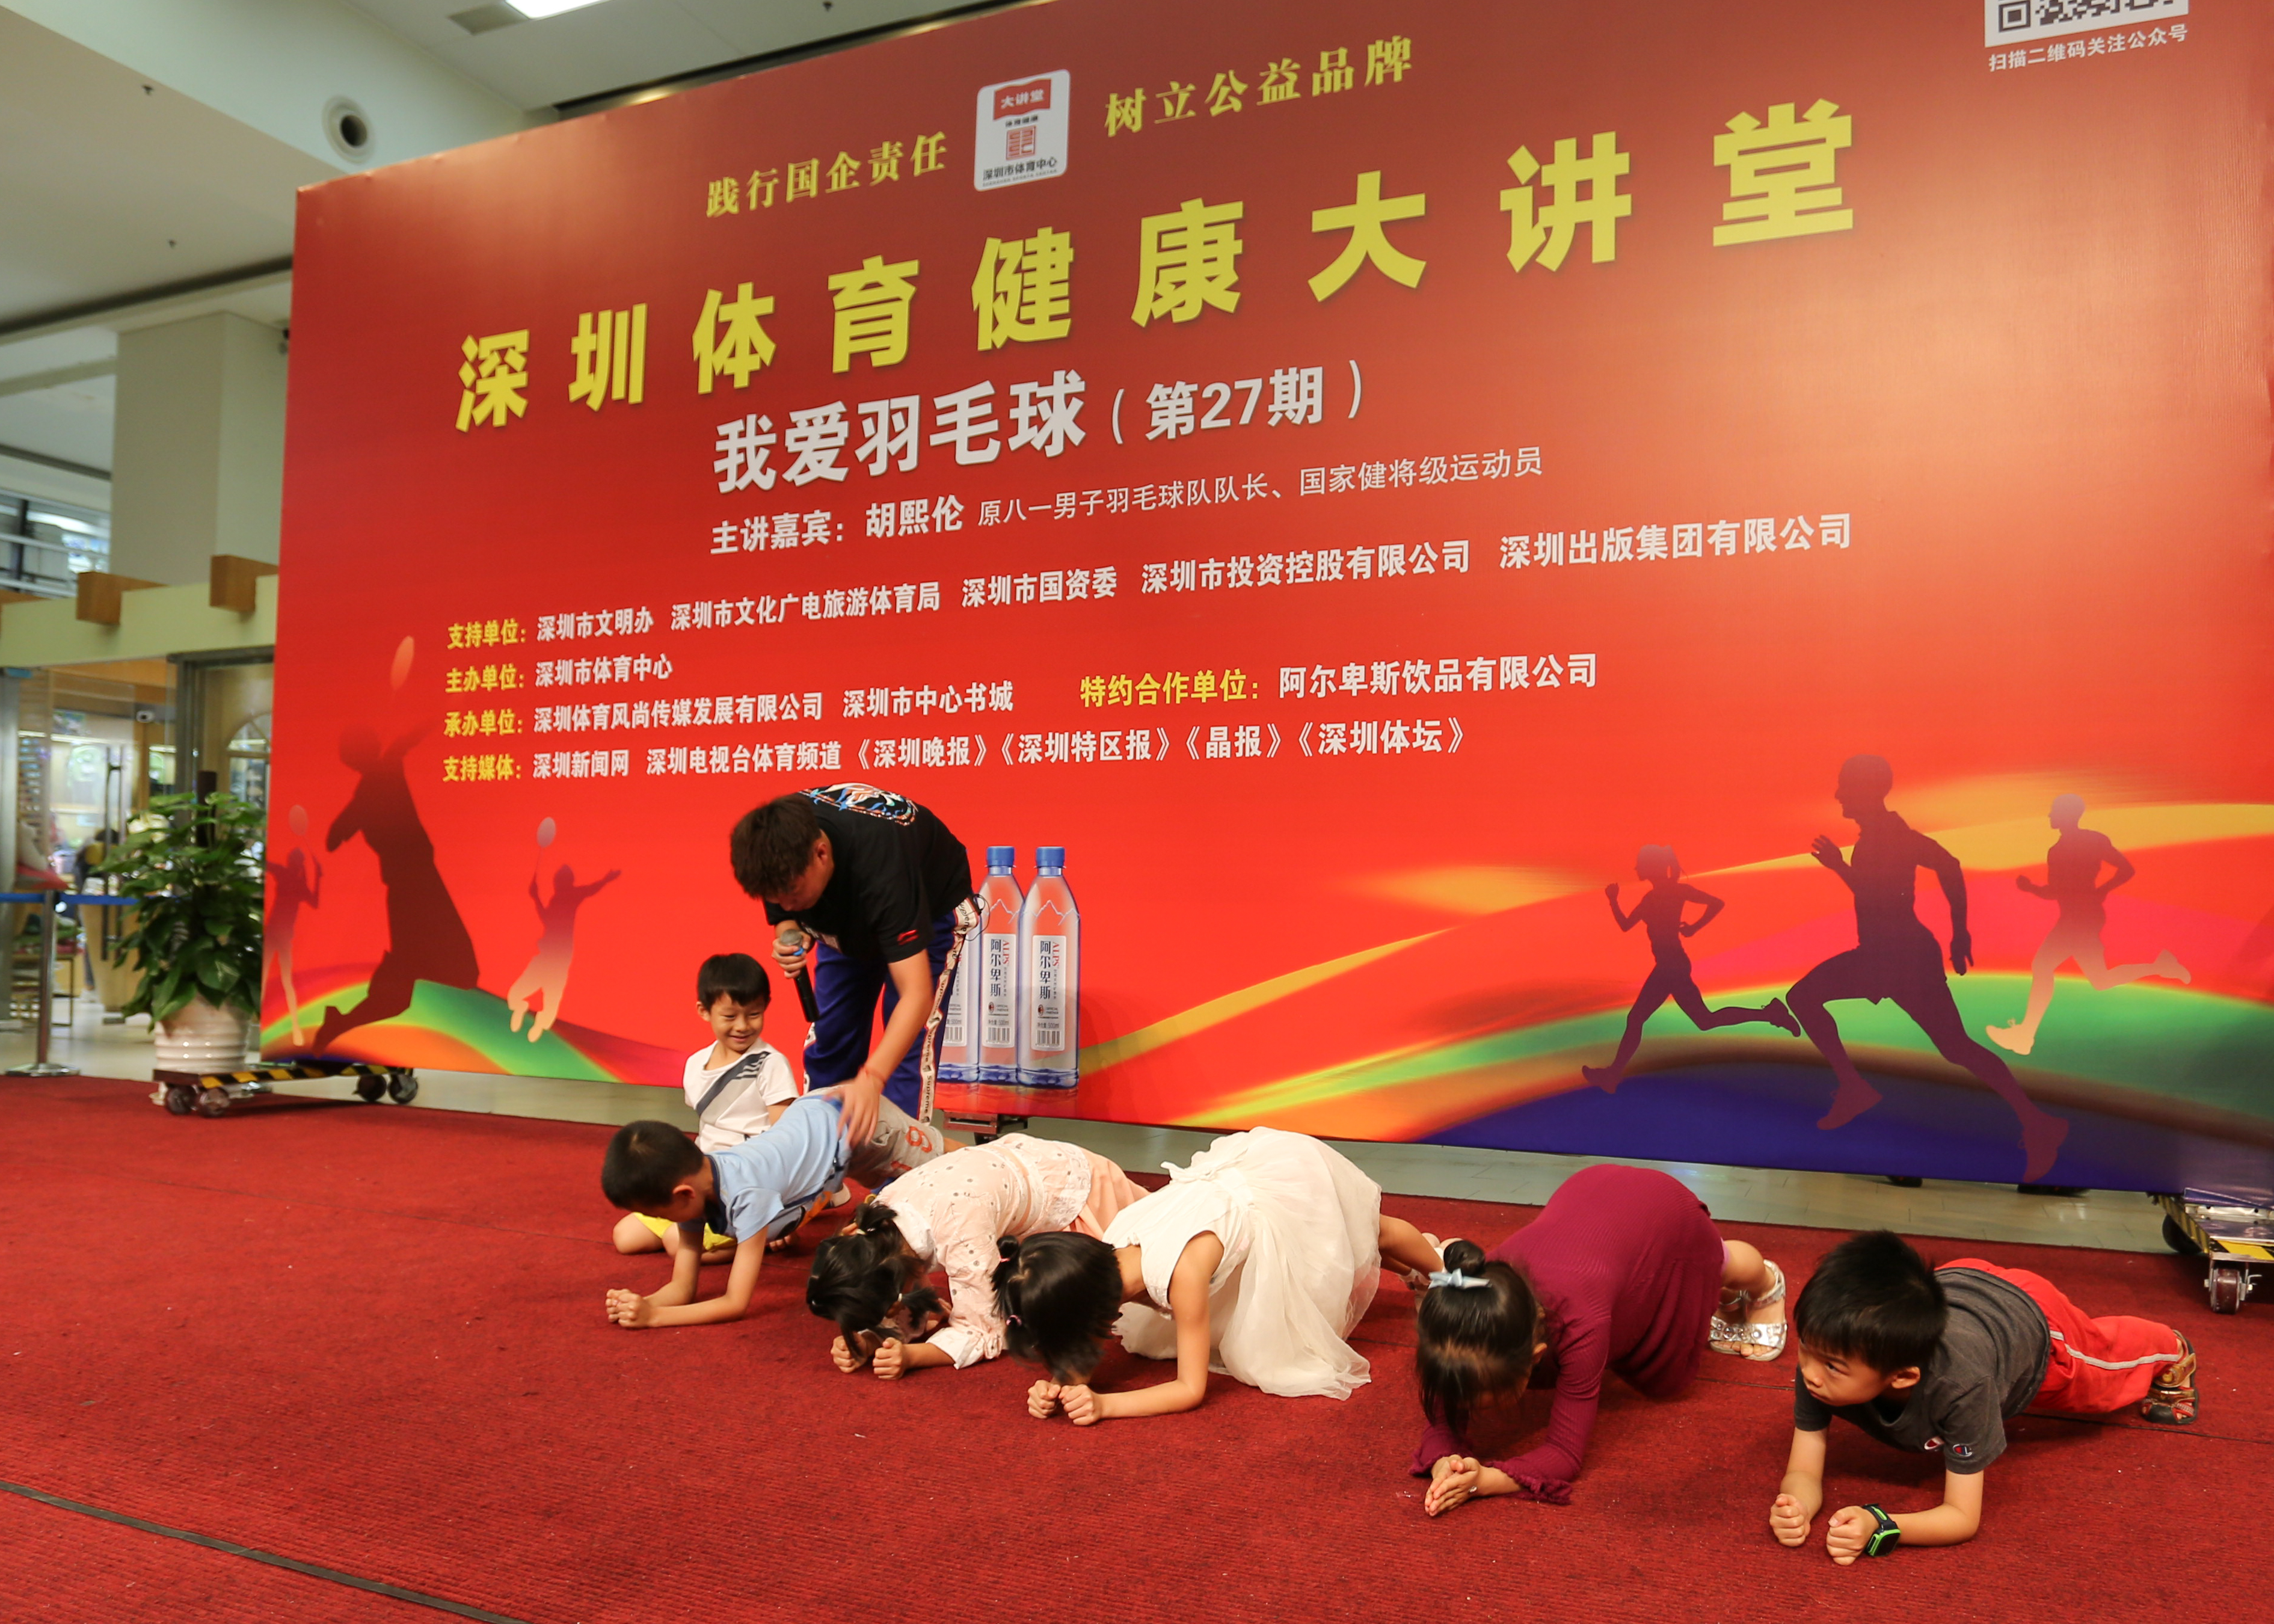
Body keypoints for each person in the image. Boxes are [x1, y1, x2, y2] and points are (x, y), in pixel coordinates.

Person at [1769, 1230, 2199, 1562]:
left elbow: (1961, 1517)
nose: (1808, 1372)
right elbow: (1803, 1469)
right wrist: (1797, 1506)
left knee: (2104, 1370)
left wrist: (1882, 1524)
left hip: (2030, 1316)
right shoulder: (1827, 1359)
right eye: (1805, 1347)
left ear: (1902, 1377)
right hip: (1954, 1286)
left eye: (1831, 1366)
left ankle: (2172, 1348)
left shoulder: (1962, 1387)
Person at [993, 1127, 1444, 1423]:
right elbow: (1080, 1341)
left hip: (1277, 1185)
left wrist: (1106, 1405)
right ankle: (1421, 1266)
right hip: (1222, 1213)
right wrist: (1060, 1386)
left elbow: (1190, 1389)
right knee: (1359, 1241)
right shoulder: (1105, 1258)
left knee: (1370, 1232)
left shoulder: (1182, 1275)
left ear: (1092, 1315)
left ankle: (1446, 1273)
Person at [1410, 1165, 1789, 1515]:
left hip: (1661, 1209)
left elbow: (1565, 1453)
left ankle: (1766, 1284)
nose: (1468, 1408)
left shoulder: (1581, 1322)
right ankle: (1716, 1292)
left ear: (1537, 1356)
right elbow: (1444, 1410)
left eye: (1489, 1401)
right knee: (1683, 1281)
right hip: (1587, 1200)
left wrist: (1488, 1481)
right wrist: (1445, 1459)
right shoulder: (1461, 1309)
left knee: (1719, 1264)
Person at [1784, 754, 2068, 1182]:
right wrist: (1959, 933)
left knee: (1951, 1045)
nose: (1838, 794)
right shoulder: (1886, 834)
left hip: (1896, 956)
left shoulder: (1886, 837)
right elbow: (1947, 866)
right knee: (1954, 1046)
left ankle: (1856, 1088)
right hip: (1893, 954)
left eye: (1845, 786)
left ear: (1866, 790)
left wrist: (1839, 867)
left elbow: (1887, 894)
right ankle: (2036, 1121)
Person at [730, 786, 977, 1152]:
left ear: (821, 853)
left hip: (927, 908)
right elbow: (785, 911)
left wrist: (872, 1079)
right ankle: (821, 1162)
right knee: (832, 1038)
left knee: (903, 1052)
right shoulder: (779, 842)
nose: (786, 904)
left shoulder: (883, 867)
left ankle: (901, 1178)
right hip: (845, 914)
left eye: (792, 894)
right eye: (775, 898)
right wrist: (789, 933)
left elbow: (915, 996)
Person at [599, 1092, 954, 1330]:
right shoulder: (695, 1188)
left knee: (952, 1166)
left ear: (683, 1194)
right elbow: (682, 1287)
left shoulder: (746, 1196)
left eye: (662, 1215)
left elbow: (735, 1303)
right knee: (905, 1205)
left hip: (855, 1118)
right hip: (818, 1126)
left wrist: (654, 1319)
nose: (664, 1223)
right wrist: (644, 1304)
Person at [807, 1135, 1148, 1379]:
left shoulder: (959, 1227)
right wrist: (869, 1338)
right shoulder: (882, 1220)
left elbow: (983, 1327)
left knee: (1129, 1285)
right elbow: (909, 1286)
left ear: (897, 1298)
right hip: (1022, 1166)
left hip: (1074, 1189)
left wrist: (913, 1355)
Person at [610, 953, 802, 1266]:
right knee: (626, 1238)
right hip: (701, 1177)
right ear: (704, 1011)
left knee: (677, 1244)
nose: (743, 1026)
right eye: (730, 1016)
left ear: (766, 1006)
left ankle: (763, 1236)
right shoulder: (696, 1064)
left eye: (754, 1014)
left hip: (745, 1186)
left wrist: (783, 1207)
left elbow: (786, 1141)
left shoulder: (772, 1064)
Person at [1583, 844, 1801, 1092]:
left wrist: (1695, 927)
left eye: (1640, 865)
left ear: (1652, 867)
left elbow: (1716, 903)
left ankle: (1613, 1075)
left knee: (1652, 1019)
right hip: (1667, 965)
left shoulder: (1674, 892)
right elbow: (1626, 925)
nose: (1636, 869)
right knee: (1699, 1020)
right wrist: (1613, 901)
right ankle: (1771, 1014)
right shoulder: (1653, 897)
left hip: (1672, 965)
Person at [1987, 793, 2188, 1056]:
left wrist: (2034, 888)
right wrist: (2036, 889)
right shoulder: (2071, 846)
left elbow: (2121, 871)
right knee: (2099, 979)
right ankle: (2161, 967)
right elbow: (2063, 890)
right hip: (2078, 918)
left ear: (2067, 815)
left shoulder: (2077, 845)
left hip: (2080, 920)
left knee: (2044, 966)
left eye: (2054, 811)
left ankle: (2025, 1035)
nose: (2049, 815)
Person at [505, 862, 619, 1042]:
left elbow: (590, 890)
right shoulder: (556, 900)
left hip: (557, 960)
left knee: (549, 1003)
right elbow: (547, 921)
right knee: (517, 996)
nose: (557, 883)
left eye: (559, 880)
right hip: (549, 958)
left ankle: (539, 1023)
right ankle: (524, 1010)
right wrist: (536, 898)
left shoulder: (572, 896)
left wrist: (606, 880)